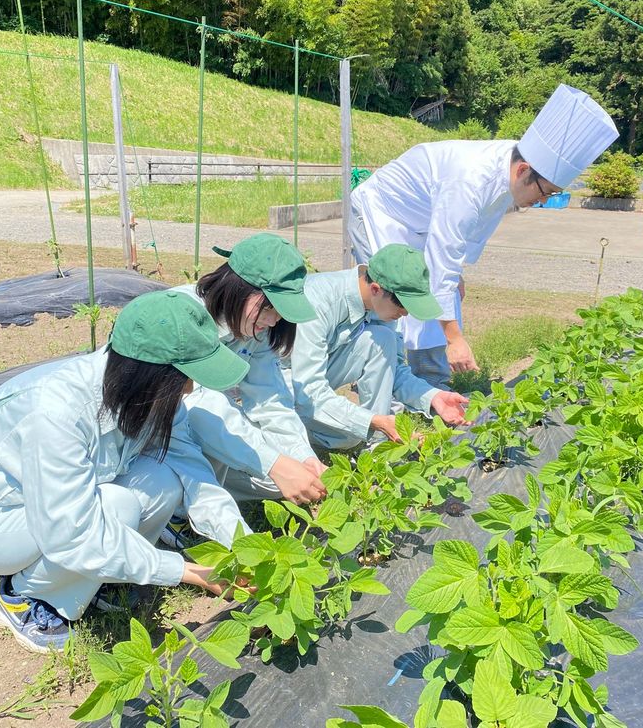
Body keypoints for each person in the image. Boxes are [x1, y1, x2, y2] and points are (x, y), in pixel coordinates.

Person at [0, 290, 251, 654]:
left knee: (164, 480)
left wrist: (246, 546)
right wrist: (187, 571)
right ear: (151, 375)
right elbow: (72, 530)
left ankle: (98, 579)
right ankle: (25, 597)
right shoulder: (56, 412)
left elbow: (192, 469)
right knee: (116, 507)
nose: (190, 388)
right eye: (185, 377)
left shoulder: (140, 394)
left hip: (56, 510)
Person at [350, 84, 619, 387]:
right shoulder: (470, 179)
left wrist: (456, 276)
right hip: (383, 213)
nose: (543, 201)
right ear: (523, 171)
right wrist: (455, 340)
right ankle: (379, 396)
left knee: (435, 302)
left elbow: (457, 245)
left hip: (423, 226)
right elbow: (441, 261)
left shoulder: (508, 171)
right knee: (387, 303)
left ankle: (430, 389)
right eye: (545, 192)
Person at [159, 234, 326, 547]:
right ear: (240, 289)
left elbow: (270, 398)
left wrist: (303, 458)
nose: (275, 318)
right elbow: (199, 405)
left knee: (280, 478)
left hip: (206, 429)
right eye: (271, 307)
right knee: (263, 460)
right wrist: (275, 462)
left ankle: (201, 501)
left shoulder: (255, 328)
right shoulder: (184, 317)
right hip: (156, 438)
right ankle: (175, 514)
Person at [288, 243, 470, 450]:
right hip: (279, 381)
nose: (406, 314)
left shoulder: (380, 305)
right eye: (403, 306)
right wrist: (371, 421)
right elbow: (309, 389)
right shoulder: (319, 302)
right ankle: (278, 432)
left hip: (311, 377)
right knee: (351, 433)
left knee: (382, 339)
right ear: (376, 289)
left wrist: (433, 396)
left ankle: (376, 448)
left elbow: (394, 369)